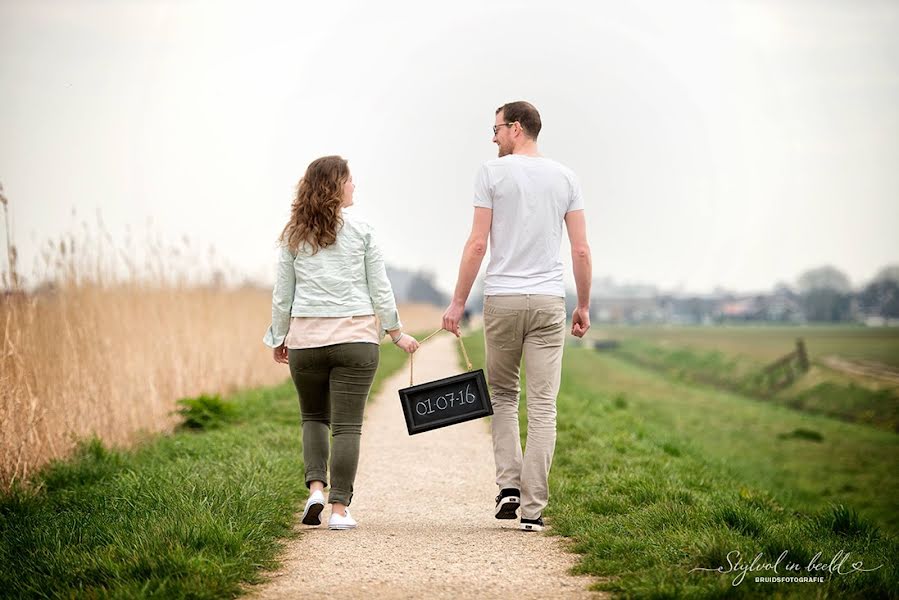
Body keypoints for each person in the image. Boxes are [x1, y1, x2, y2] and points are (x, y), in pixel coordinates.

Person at [442, 101, 592, 532]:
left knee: (505, 396)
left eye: (496, 129)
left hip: (503, 300)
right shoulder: (566, 178)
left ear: (518, 128)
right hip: (548, 302)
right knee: (544, 406)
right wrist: (582, 305)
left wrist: (458, 302)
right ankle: (533, 509)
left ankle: (508, 486)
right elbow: (580, 249)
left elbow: (476, 245)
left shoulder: (491, 173)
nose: (492, 138)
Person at [264, 155, 419, 531]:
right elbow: (379, 288)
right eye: (350, 181)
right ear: (336, 186)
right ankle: (338, 510)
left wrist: (278, 336)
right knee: (347, 426)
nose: (354, 187)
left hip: (307, 341)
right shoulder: (363, 231)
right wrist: (396, 333)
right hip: (356, 341)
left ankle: (315, 489)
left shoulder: (292, 235)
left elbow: (283, 294)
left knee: (313, 417)